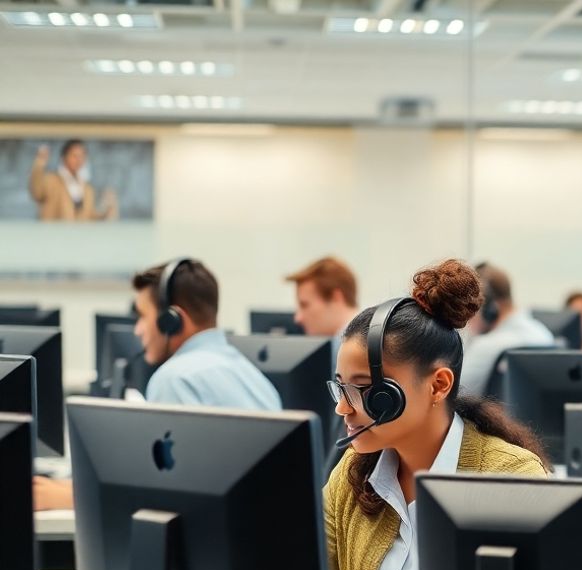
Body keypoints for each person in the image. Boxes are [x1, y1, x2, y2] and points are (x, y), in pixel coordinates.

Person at [325, 259, 551, 570]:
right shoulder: (353, 474)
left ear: (438, 385)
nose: (344, 409)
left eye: (363, 390)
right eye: (340, 388)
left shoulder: (510, 475)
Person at [32, 258, 282, 510]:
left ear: (172, 320)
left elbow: (170, 499)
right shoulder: (253, 376)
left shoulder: (174, 379)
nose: (138, 330)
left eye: (142, 316)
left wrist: (75, 498)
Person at [459, 262, 555, 396]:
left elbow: (455, 395)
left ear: (490, 309)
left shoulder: (487, 345)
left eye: (471, 306)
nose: (467, 316)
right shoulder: (544, 335)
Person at [29, 140, 118, 221]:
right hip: (55, 237)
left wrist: (106, 213)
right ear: (64, 157)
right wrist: (39, 163)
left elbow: (90, 216)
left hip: (78, 237)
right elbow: (37, 191)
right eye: (74, 156)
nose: (78, 160)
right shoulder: (52, 181)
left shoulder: (87, 188)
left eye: (82, 156)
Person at [286, 256, 360, 340]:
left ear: (335, 298)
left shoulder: (362, 347)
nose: (298, 318)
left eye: (305, 305)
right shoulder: (361, 342)